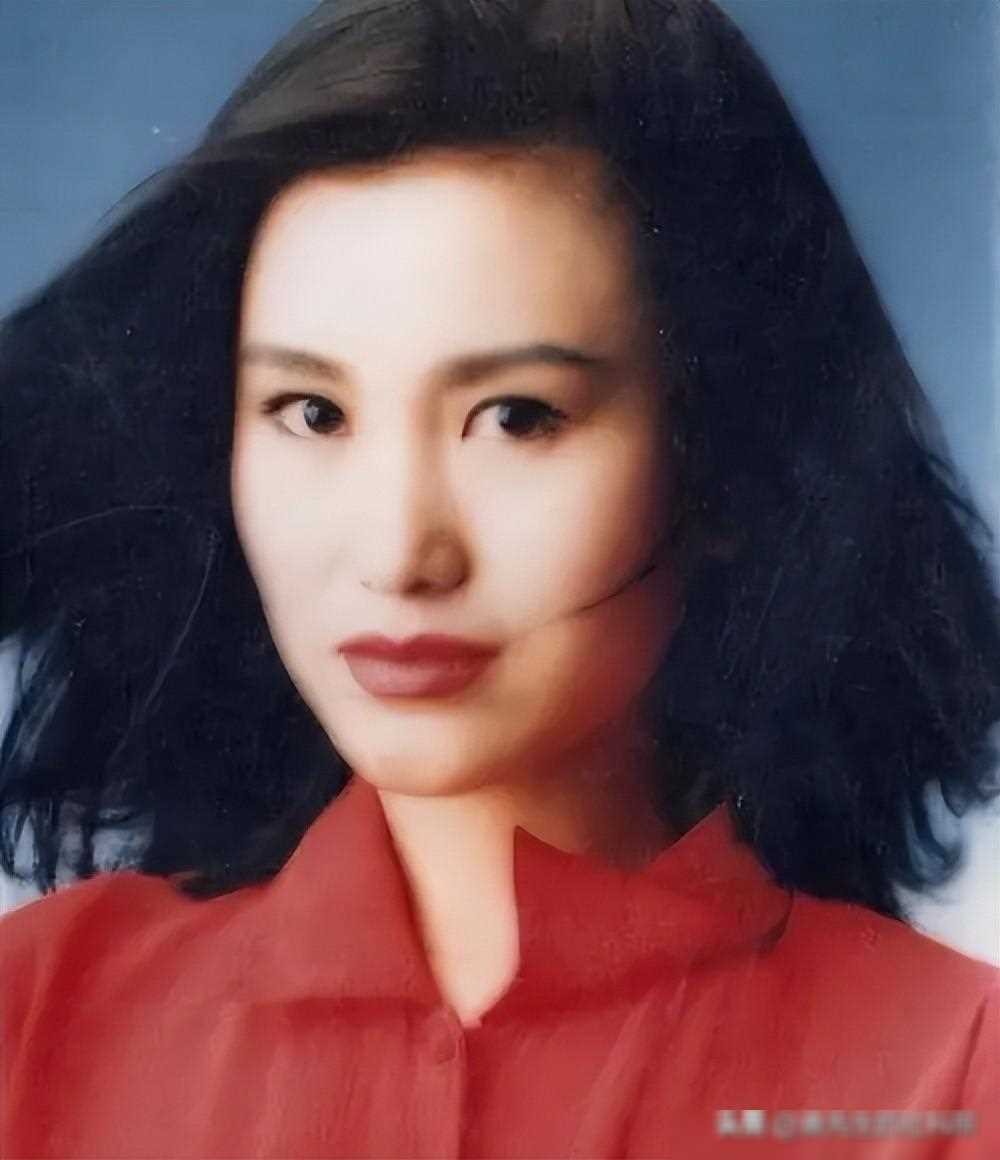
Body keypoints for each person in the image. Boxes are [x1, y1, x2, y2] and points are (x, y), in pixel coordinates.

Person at [1, 1, 998, 1156]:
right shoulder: (35, 1017)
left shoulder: (951, 1072)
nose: (396, 552)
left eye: (516, 416)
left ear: (726, 457)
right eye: (311, 411)